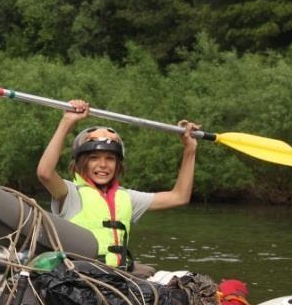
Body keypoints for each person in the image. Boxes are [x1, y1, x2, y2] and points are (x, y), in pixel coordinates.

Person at [36, 99, 200, 271]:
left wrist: (189, 149)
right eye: (94, 158)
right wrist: (67, 122)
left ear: (118, 164)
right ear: (81, 162)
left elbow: (179, 196)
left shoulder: (127, 197)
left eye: (110, 158)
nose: (103, 165)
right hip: (79, 275)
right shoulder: (70, 193)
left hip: (117, 276)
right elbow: (44, 173)